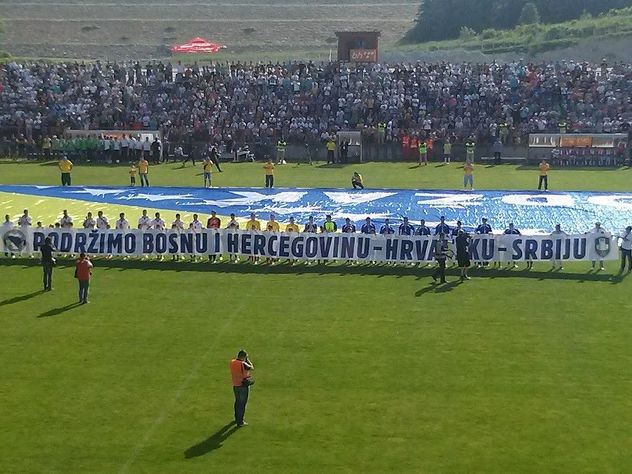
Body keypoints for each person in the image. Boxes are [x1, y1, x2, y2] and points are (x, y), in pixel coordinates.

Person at [230, 350, 254, 427]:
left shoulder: (232, 362)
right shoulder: (243, 364)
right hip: (242, 386)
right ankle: (240, 421)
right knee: (242, 404)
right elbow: (251, 367)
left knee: (237, 402)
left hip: (235, 385)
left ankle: (236, 418)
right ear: (244, 356)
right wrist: (248, 360)